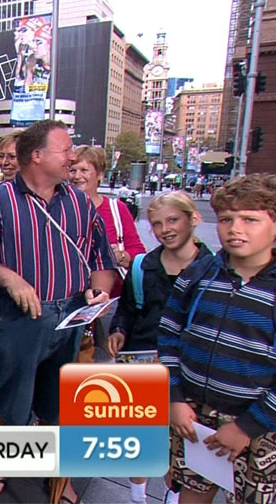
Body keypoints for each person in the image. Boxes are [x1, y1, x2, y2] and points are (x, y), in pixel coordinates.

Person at [159, 174, 276, 504]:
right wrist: (174, 398)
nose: (235, 229)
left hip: (260, 428)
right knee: (191, 494)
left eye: (250, 220)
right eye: (226, 219)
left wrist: (247, 427)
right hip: (193, 417)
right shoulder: (198, 275)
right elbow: (168, 337)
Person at [0, 120, 117, 503]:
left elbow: (99, 257)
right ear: (37, 156)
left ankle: (58, 477)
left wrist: (99, 292)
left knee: (59, 404)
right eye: (66, 150)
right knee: (10, 400)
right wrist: (8, 277)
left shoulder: (79, 202)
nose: (73, 157)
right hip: (18, 319)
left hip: (72, 315)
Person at [107, 191, 211, 504]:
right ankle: (138, 496)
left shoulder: (214, 270)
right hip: (142, 359)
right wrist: (118, 330)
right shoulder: (143, 266)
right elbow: (128, 308)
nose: (165, 229)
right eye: (157, 224)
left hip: (189, 368)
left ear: (193, 219)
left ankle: (172, 493)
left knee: (181, 437)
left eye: (173, 220)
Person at [69, 145, 146, 294]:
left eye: (84, 170)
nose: (77, 176)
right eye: (72, 170)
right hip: (69, 297)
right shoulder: (58, 209)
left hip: (111, 297)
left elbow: (138, 252)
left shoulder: (117, 209)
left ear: (100, 175)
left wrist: (121, 256)